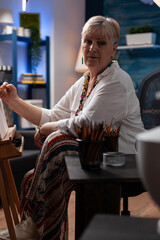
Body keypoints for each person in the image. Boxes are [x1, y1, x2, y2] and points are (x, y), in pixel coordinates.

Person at [0, 15, 145, 240]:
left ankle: (39, 230)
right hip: (97, 157)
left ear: (114, 49)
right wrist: (14, 101)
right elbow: (53, 115)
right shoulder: (86, 81)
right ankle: (35, 227)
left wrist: (49, 129)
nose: (92, 48)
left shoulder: (116, 81)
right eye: (87, 41)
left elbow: (84, 124)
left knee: (59, 142)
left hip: (126, 161)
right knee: (35, 171)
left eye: (101, 43)